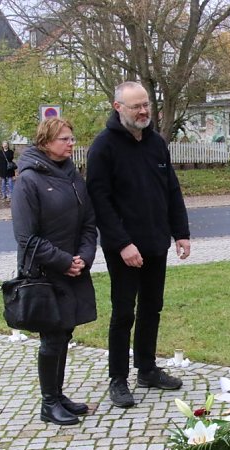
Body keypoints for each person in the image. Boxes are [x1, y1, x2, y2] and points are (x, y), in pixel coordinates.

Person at [86, 81, 191, 409]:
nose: (144, 111)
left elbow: (171, 189)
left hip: (156, 242)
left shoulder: (156, 143)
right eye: (136, 106)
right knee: (123, 312)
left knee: (152, 307)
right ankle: (117, 379)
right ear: (119, 107)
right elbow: (99, 202)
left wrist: (181, 232)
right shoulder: (103, 147)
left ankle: (146, 368)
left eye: (146, 104)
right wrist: (122, 244)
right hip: (124, 249)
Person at [11, 118, 97, 426]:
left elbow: (89, 222)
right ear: (46, 143)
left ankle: (59, 396)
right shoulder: (28, 180)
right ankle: (49, 402)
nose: (71, 143)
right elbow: (26, 238)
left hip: (73, 268)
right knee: (51, 337)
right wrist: (63, 261)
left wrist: (84, 257)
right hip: (45, 272)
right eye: (64, 139)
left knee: (64, 333)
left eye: (72, 138)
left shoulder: (73, 175)